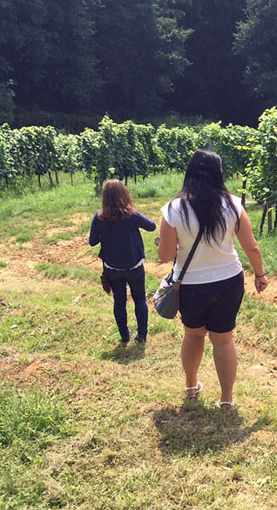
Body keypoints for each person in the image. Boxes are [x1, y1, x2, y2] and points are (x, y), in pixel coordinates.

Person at [157, 150, 267, 404]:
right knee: (223, 339)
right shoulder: (232, 204)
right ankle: (227, 398)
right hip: (228, 281)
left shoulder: (174, 208)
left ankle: (190, 386)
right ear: (218, 173)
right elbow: (252, 247)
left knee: (193, 335)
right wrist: (259, 275)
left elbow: (164, 256)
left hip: (191, 285)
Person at [89, 179, 157, 344]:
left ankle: (124, 335)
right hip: (134, 265)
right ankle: (141, 336)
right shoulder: (131, 215)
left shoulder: (99, 217)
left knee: (119, 301)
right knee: (139, 298)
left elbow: (92, 241)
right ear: (124, 194)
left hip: (112, 267)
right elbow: (152, 226)